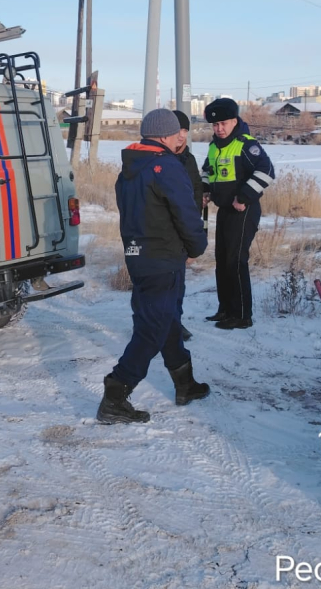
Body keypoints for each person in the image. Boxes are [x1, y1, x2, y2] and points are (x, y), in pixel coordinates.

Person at [97, 108, 211, 424]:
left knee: (165, 319)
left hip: (139, 256)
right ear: (163, 135)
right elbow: (185, 212)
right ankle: (115, 395)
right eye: (176, 132)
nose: (181, 137)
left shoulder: (129, 169)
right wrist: (197, 245)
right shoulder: (166, 167)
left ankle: (185, 385)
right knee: (151, 330)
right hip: (163, 258)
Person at [201, 98, 275, 330]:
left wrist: (243, 197)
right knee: (222, 261)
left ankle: (242, 315)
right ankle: (225, 310)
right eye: (215, 125)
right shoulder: (214, 146)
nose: (219, 129)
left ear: (234, 121)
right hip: (224, 211)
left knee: (236, 261)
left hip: (244, 211)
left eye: (223, 124)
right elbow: (207, 171)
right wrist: (205, 190)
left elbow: (267, 171)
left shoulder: (245, 144)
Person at [172, 109, 204, 342]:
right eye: (177, 130)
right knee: (155, 285)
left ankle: (175, 323)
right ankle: (149, 325)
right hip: (161, 232)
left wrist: (195, 231)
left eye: (185, 130)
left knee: (178, 282)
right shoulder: (157, 159)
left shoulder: (188, 159)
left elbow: (196, 195)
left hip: (182, 232)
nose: (182, 135)